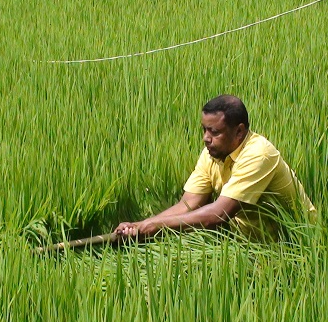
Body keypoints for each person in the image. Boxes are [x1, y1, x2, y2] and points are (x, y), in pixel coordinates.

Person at [115, 94, 316, 241]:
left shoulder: (258, 154)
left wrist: (154, 226)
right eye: (204, 129)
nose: (206, 138)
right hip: (250, 243)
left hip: (295, 242)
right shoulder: (211, 155)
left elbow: (218, 215)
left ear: (239, 132)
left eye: (214, 131)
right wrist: (139, 227)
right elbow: (189, 204)